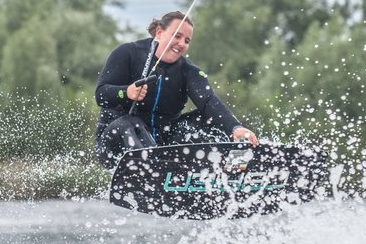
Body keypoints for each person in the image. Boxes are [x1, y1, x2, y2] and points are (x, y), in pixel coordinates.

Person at [94, 10, 258, 168]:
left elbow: (208, 101)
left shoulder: (188, 71)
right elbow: (101, 95)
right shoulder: (128, 53)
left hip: (163, 145)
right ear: (159, 33)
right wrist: (126, 92)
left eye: (187, 40)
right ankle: (153, 170)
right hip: (115, 144)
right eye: (177, 36)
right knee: (130, 123)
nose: (181, 44)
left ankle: (232, 167)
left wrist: (235, 127)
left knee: (208, 117)